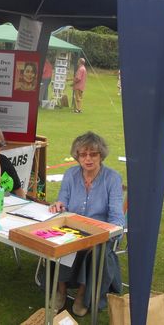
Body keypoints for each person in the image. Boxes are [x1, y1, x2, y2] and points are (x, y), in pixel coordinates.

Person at [48, 131, 124, 317]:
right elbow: (62, 202)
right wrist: (58, 205)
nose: (88, 158)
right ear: (77, 156)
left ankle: (83, 294)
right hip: (71, 228)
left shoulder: (112, 178)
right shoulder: (70, 174)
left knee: (95, 250)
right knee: (57, 242)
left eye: (93, 154)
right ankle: (61, 289)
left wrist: (111, 234)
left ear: (101, 155)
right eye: (83, 154)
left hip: (98, 232)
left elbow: (116, 216)